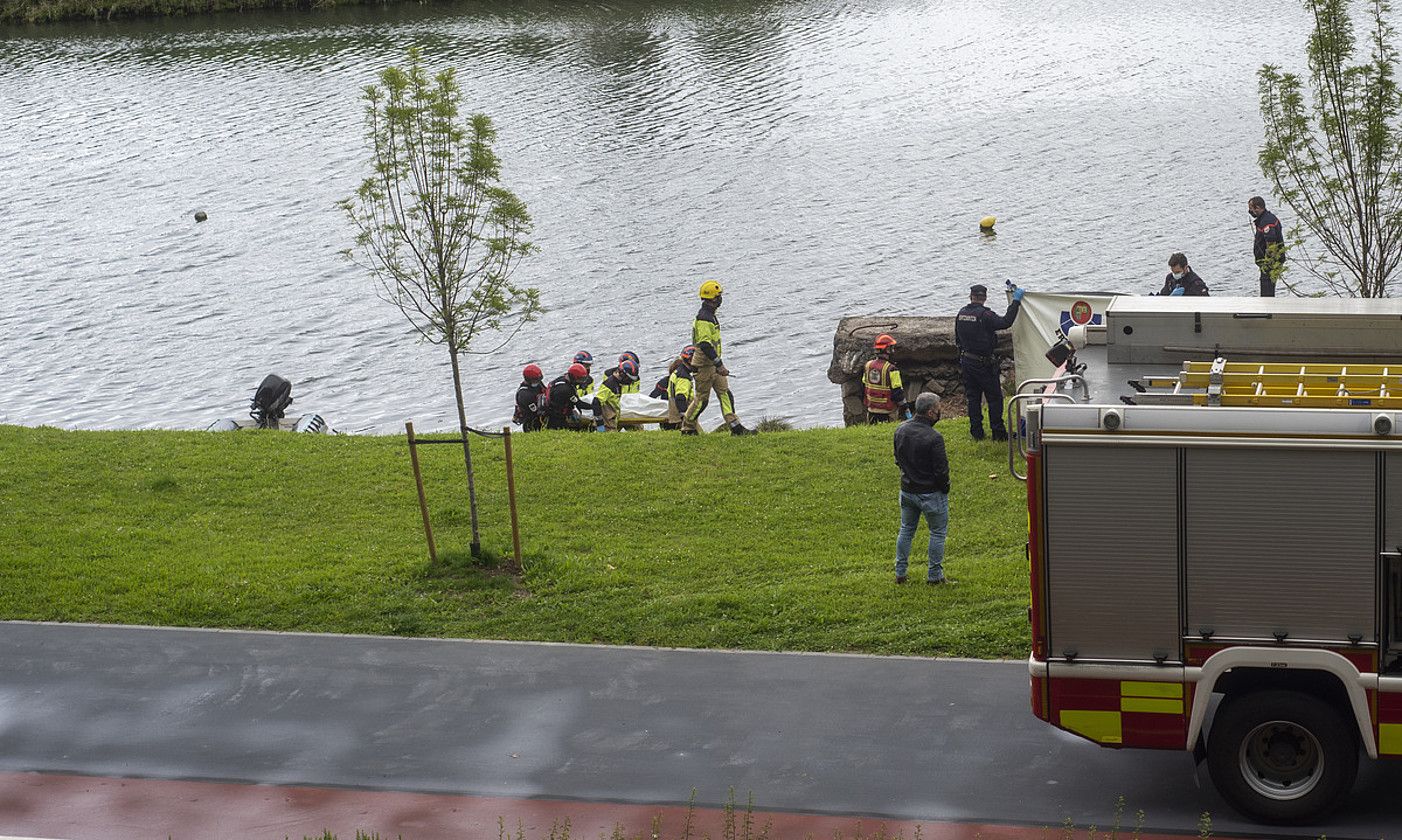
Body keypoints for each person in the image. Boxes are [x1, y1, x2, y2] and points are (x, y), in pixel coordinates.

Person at [681, 280, 755, 436]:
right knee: (702, 400)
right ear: (712, 298)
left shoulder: (710, 316)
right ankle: (687, 428)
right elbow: (705, 344)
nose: (721, 298)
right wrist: (719, 364)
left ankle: (735, 427)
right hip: (704, 366)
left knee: (725, 394)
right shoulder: (704, 319)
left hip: (713, 365)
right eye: (719, 295)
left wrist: (717, 364)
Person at [893, 392, 951, 585]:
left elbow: (897, 460)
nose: (940, 412)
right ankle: (934, 575)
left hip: (907, 490)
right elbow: (941, 471)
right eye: (938, 409)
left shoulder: (900, 430)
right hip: (931, 493)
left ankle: (900, 572)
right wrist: (945, 488)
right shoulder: (935, 438)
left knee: (906, 530)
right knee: (937, 533)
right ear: (930, 412)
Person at [955, 283, 1023, 441]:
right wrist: (1016, 302)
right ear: (984, 298)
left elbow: (957, 339)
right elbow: (1006, 322)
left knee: (973, 398)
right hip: (983, 363)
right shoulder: (985, 315)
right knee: (994, 398)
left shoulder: (961, 314)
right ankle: (998, 433)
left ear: (970, 296)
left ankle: (976, 433)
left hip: (966, 360)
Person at [862, 333, 908, 423]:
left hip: (871, 408)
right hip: (888, 410)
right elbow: (897, 391)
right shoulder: (892, 369)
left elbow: (864, 384)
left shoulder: (868, 365)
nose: (893, 351)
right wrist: (904, 406)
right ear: (887, 350)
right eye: (891, 348)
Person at [1249, 196, 1286, 297]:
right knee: (1267, 290)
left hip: (1270, 264)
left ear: (1257, 207)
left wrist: (1268, 264)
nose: (1250, 211)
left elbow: (1271, 244)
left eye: (1251, 209)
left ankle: (1268, 311)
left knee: (1267, 293)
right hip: (1268, 263)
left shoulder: (1267, 222)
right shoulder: (1265, 219)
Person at [545, 363, 598, 430]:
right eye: (580, 379)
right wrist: (594, 406)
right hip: (558, 418)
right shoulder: (566, 390)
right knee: (589, 426)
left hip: (554, 412)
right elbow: (579, 404)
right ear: (574, 377)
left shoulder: (562, 379)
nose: (581, 382)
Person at [594, 359, 640, 431]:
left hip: (612, 419)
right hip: (606, 423)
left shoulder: (618, 384)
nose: (629, 382)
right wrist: (599, 423)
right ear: (622, 374)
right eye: (629, 379)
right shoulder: (609, 384)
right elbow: (596, 402)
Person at [664, 345, 702, 430]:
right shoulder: (683, 377)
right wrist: (685, 417)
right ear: (690, 360)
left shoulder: (679, 371)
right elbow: (680, 397)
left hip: (675, 417)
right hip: (682, 419)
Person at [512, 363, 548, 432]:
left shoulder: (538, 383)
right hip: (532, 421)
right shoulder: (524, 394)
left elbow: (546, 392)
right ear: (529, 379)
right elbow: (535, 411)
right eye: (536, 380)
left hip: (542, 412)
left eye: (539, 379)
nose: (538, 381)